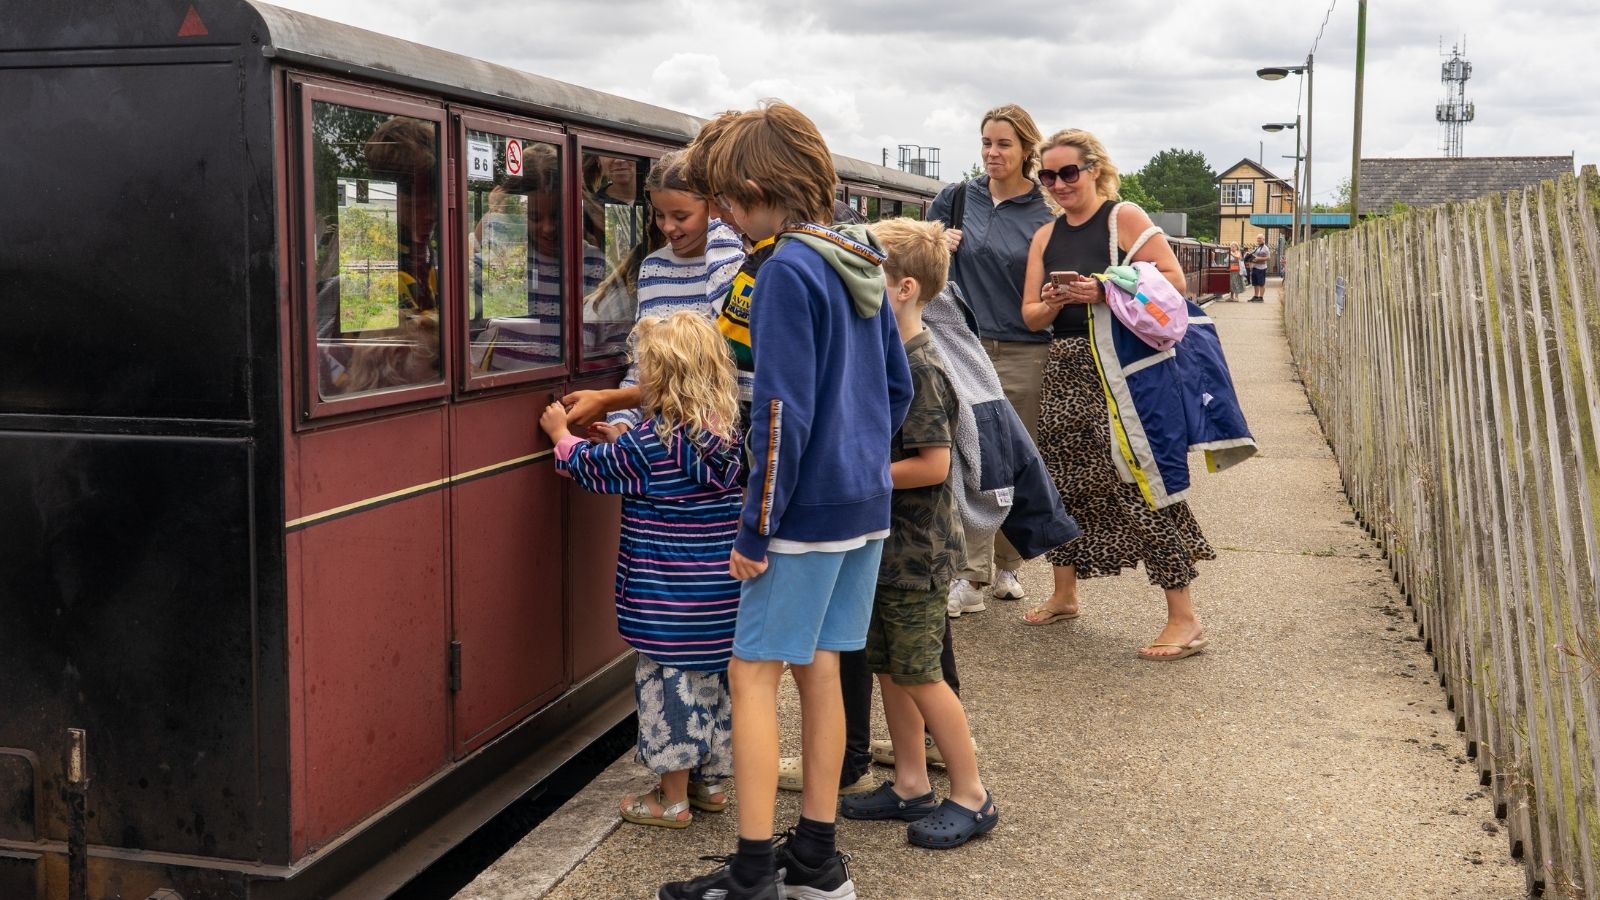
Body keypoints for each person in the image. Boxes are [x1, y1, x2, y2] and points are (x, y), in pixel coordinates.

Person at [656, 100, 912, 900]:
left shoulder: (783, 272)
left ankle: (755, 871)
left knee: (752, 674)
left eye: (728, 198)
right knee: (826, 669)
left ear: (761, 184)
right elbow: (896, 387)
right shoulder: (852, 254)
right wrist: (856, 459)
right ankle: (818, 860)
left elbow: (777, 415)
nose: (724, 215)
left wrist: (757, 528)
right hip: (864, 507)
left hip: (798, 516)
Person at [539, 311, 744, 829]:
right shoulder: (726, 435)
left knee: (668, 691)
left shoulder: (649, 446)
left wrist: (562, 434)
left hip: (666, 601)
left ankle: (670, 799)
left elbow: (590, 467)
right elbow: (645, 464)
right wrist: (618, 441)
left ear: (662, 377)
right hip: (722, 601)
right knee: (715, 688)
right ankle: (711, 786)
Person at [1017, 128, 1216, 660]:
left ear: (1094, 169)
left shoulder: (1122, 217)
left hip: (1122, 372)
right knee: (1062, 482)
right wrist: (1059, 299)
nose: (1058, 184)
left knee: (1139, 483)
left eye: (1068, 172)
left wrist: (1103, 288)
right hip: (1064, 368)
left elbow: (1174, 281)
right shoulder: (1045, 236)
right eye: (1048, 175)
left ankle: (1185, 617)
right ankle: (1064, 593)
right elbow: (1031, 316)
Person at [838, 217, 998, 849]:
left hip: (917, 551)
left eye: (867, 269)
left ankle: (971, 794)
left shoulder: (923, 367)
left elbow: (931, 465)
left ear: (902, 288)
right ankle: (909, 782)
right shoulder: (893, 355)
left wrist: (857, 470)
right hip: (887, 545)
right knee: (889, 667)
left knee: (921, 671)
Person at [927, 104, 1055, 616]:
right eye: (986, 142)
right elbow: (908, 259)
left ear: (1027, 148)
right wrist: (939, 243)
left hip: (1025, 350)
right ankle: (969, 576)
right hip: (961, 345)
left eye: (1003, 143)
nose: (992, 153)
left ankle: (1007, 566)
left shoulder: (1046, 210)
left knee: (1013, 462)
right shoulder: (957, 199)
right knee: (969, 460)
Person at [563, 153, 745, 431]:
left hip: (717, 439)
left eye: (681, 216)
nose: (668, 226)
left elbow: (714, 377)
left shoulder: (735, 267)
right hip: (661, 441)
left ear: (713, 208)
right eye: (660, 215)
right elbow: (644, 364)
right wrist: (623, 423)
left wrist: (610, 400)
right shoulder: (652, 268)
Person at [1246, 233, 1270, 301]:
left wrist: (1259, 258)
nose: (1258, 239)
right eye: (1257, 238)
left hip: (1261, 268)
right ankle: (1256, 296)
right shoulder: (1257, 247)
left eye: (1260, 238)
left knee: (1261, 283)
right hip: (1255, 267)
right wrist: (1249, 254)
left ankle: (1261, 297)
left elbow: (1268, 258)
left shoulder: (1266, 248)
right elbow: (1254, 254)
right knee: (1255, 283)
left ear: (1263, 239)